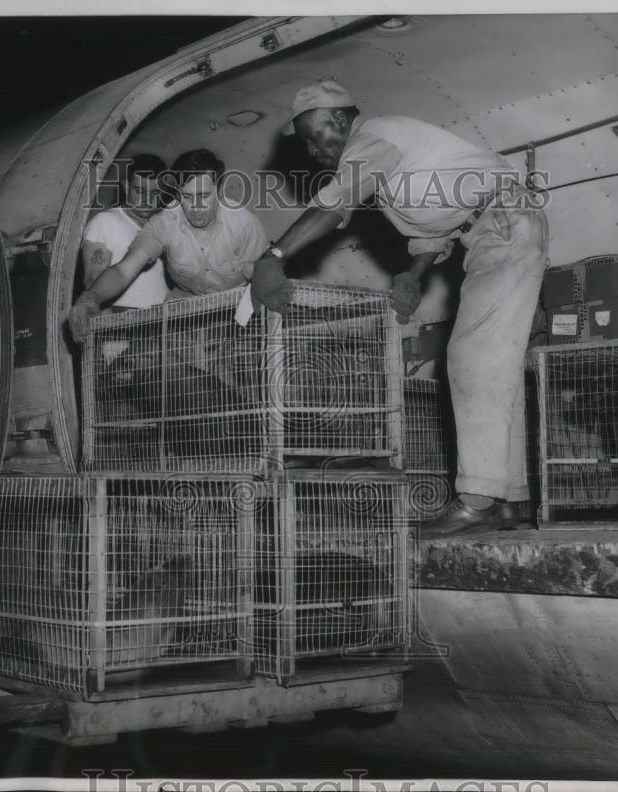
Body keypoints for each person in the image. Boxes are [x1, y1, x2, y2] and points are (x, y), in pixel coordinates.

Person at [250, 80, 549, 535]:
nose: (311, 150)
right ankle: (508, 501)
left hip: (503, 224)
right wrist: (414, 272)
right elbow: (438, 226)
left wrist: (272, 257)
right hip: (493, 227)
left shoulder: (374, 140)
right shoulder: (389, 158)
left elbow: (336, 202)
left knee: (474, 358)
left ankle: (478, 499)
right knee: (495, 363)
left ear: (340, 119)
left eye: (313, 136)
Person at [68, 148, 269, 342]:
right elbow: (123, 271)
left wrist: (240, 327)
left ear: (220, 189)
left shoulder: (245, 225)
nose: (195, 208)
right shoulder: (164, 222)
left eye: (204, 196)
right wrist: (90, 298)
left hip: (236, 322)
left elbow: (264, 280)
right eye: (187, 197)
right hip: (183, 326)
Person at [80, 153, 169, 311]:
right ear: (126, 186)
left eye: (155, 193)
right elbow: (92, 281)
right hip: (124, 320)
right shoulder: (104, 222)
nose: (147, 200)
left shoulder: (165, 225)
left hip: (168, 320)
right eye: (139, 191)